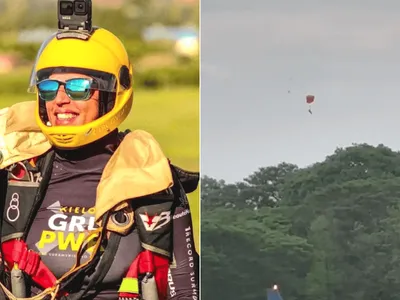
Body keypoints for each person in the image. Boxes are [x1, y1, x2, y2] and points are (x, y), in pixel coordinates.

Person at [0, 25, 199, 300]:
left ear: (110, 95)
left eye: (78, 88)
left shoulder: (151, 179)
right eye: (47, 88)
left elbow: (185, 289)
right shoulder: (15, 176)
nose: (60, 100)